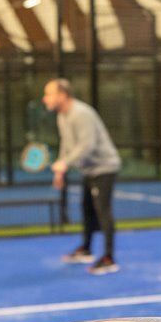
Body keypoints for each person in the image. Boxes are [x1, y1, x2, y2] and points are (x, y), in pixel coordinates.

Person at [42, 78, 121, 275]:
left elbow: (87, 145)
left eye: (49, 94)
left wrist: (65, 163)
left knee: (103, 210)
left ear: (62, 95)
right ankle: (86, 249)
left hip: (104, 167)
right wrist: (61, 169)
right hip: (89, 169)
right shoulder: (62, 116)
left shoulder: (81, 113)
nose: (45, 99)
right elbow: (66, 144)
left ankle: (109, 258)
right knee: (87, 209)